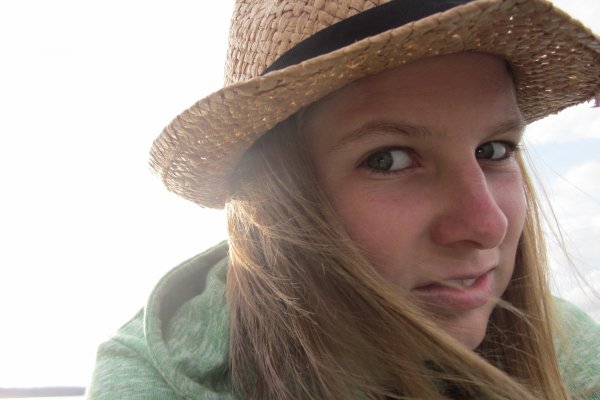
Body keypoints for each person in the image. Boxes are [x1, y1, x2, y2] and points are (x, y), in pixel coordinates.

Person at [87, 0, 600, 399]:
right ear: (277, 201)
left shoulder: (567, 346)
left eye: (494, 150)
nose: (487, 225)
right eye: (388, 159)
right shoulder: (154, 380)